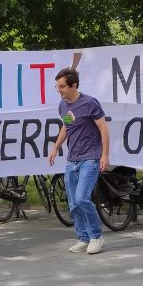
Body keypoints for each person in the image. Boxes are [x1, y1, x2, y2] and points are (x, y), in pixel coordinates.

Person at [47, 67, 109, 254]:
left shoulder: (90, 103)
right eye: (57, 87)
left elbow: (103, 128)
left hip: (89, 158)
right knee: (73, 203)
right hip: (71, 160)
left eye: (62, 86)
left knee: (82, 198)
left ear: (73, 85)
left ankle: (96, 236)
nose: (59, 90)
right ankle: (83, 238)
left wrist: (104, 155)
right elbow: (67, 126)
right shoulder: (63, 105)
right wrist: (56, 147)